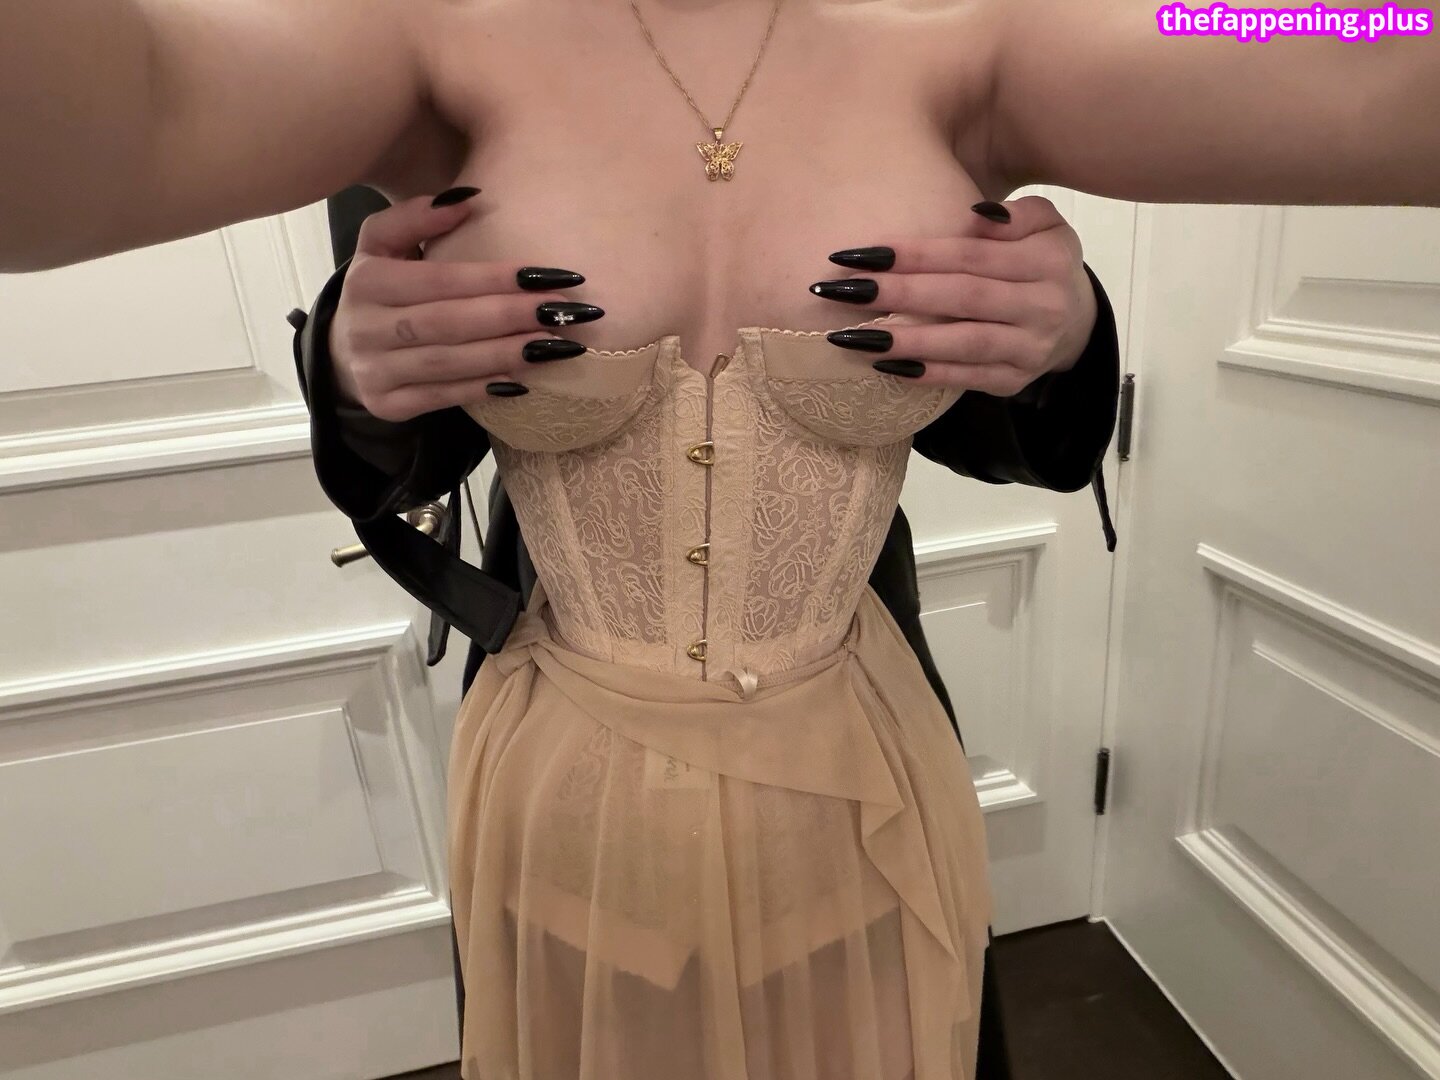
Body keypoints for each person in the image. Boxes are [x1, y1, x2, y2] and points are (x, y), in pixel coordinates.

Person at [3, 4, 1434, 1078]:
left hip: (860, 783)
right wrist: (359, 374)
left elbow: (1365, 41)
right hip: (566, 798)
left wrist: (1059, 336)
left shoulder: (974, 34)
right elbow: (106, 122)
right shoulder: (420, 37)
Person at [298, 182, 1123, 1079]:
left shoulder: (930, 116)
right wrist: (351, 368)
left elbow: (997, 425)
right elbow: (408, 451)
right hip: (568, 722)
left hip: (848, 712)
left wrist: (1061, 335)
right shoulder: (430, 123)